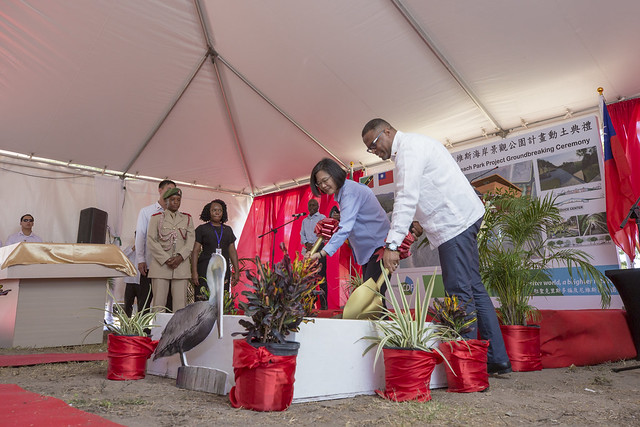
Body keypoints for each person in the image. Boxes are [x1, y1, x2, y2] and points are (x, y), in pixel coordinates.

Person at [361, 118, 511, 375]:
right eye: (370, 150)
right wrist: (418, 224)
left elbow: (407, 197)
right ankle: (496, 360)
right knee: (474, 288)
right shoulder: (413, 147)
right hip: (459, 220)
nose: (375, 151)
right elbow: (426, 191)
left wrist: (393, 244)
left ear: (387, 131)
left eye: (374, 144)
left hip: (455, 224)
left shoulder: (409, 149)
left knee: (459, 294)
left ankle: (468, 369)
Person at [307, 158, 390, 286]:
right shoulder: (345, 191)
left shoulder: (349, 192)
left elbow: (345, 228)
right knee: (373, 298)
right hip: (370, 249)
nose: (323, 186)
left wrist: (321, 253)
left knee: (371, 298)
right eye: (319, 183)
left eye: (325, 180)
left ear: (334, 173)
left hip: (379, 247)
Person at [147, 187, 195, 312]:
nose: (175, 202)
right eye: (172, 199)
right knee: (158, 304)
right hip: (161, 266)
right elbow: (152, 240)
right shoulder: (156, 218)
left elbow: (190, 241)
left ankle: (178, 332)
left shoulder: (187, 218)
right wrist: (166, 259)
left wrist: (180, 257)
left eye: (178, 200)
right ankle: (157, 332)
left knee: (180, 306)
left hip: (181, 266)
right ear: (166, 201)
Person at [135, 180, 176, 310]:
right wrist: (141, 259)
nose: (171, 192)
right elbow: (140, 236)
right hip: (149, 264)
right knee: (145, 301)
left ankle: (164, 330)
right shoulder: (146, 211)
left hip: (169, 266)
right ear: (160, 190)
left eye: (174, 190)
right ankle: (144, 330)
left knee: (168, 302)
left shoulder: (176, 214)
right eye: (168, 189)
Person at [190, 199, 239, 301]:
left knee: (221, 299)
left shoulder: (228, 230)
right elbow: (195, 251)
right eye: (214, 210)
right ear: (209, 212)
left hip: (222, 270)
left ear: (223, 212)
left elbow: (233, 252)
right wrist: (194, 272)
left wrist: (237, 271)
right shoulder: (202, 229)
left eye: (220, 210)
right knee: (203, 298)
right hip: (204, 269)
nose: (217, 212)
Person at [300, 198, 328, 309]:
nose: (311, 207)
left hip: (319, 248)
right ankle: (309, 304)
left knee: (321, 277)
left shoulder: (322, 218)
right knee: (308, 278)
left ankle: (324, 305)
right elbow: (302, 234)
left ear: (318, 207)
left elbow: (325, 234)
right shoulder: (304, 221)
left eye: (313, 205)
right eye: (309, 205)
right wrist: (307, 244)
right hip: (308, 250)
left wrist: (316, 244)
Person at [122, 232, 150, 317]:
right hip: (130, 281)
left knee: (142, 305)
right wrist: (133, 249)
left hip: (141, 282)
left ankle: (140, 327)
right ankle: (126, 325)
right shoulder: (130, 248)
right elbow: (122, 257)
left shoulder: (147, 251)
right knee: (127, 304)